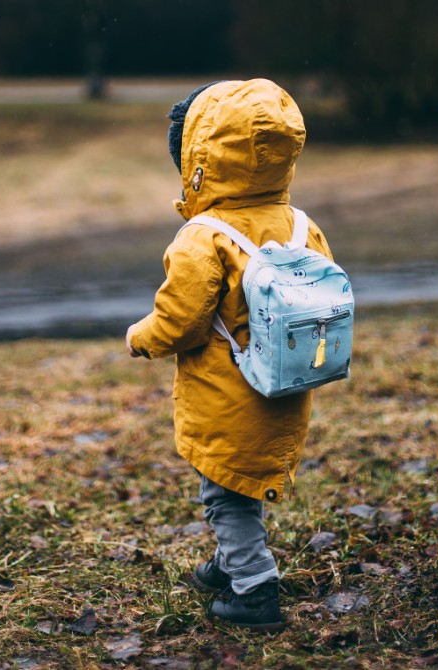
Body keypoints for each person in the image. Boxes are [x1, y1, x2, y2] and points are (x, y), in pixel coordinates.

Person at [125, 79, 334, 633]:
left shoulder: (204, 236)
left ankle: (254, 588)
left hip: (227, 392)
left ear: (200, 160)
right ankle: (228, 563)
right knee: (239, 481)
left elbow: (182, 319)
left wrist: (141, 336)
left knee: (224, 492)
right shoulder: (300, 227)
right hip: (285, 387)